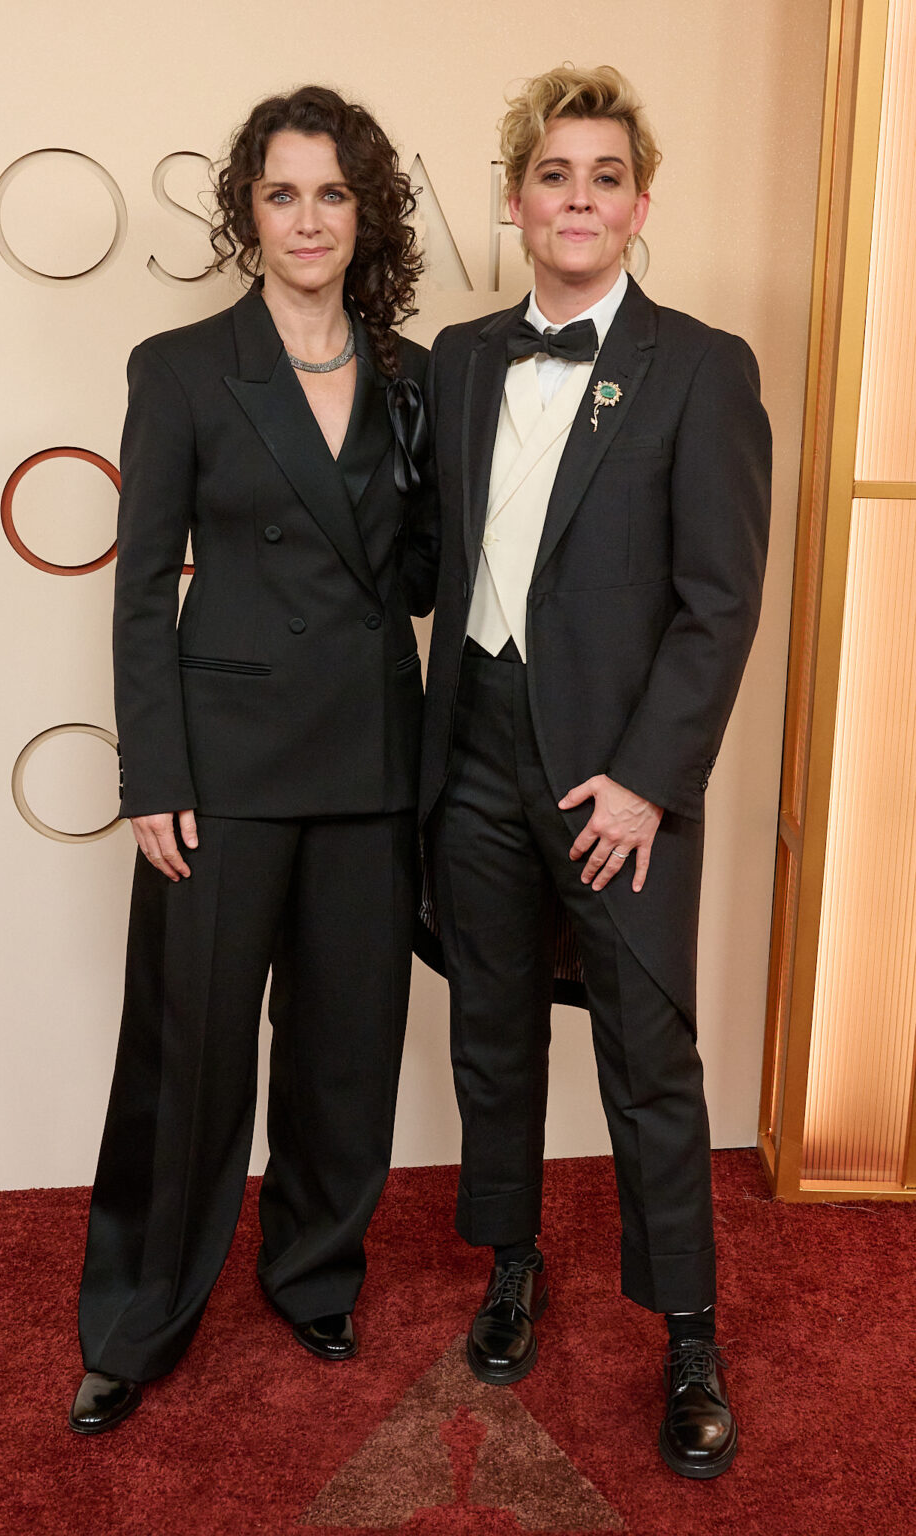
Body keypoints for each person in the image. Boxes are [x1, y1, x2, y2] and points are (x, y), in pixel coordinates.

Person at [418, 65, 771, 1479]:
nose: (578, 197)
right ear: (516, 201)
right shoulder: (454, 361)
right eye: (554, 174)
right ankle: (513, 1263)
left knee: (650, 1057)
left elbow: (719, 603)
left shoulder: (701, 366)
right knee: (492, 1033)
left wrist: (646, 780)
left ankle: (687, 1330)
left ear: (638, 202)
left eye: (605, 175)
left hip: (616, 776)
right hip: (476, 751)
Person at [68, 85, 434, 1435]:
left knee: (349, 1047)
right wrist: (150, 773)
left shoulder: (413, 374)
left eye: (332, 192)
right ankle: (135, 1318)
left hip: (370, 765)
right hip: (218, 772)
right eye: (282, 192)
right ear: (248, 211)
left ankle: (313, 1271)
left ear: (366, 211)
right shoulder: (179, 367)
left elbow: (429, 572)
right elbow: (137, 589)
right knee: (189, 1056)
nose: (307, 218)